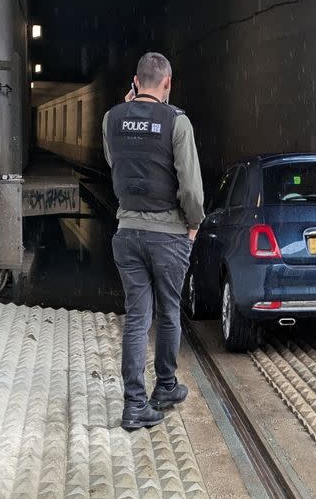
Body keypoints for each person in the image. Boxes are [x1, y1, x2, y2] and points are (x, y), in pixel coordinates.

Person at [102, 52, 205, 429]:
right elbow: (190, 184)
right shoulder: (177, 122)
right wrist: (194, 222)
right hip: (168, 234)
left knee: (137, 317)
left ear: (135, 80)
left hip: (127, 232)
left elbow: (117, 163)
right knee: (168, 312)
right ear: (167, 83)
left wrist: (127, 115)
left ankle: (133, 404)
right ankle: (164, 386)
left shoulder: (111, 118)